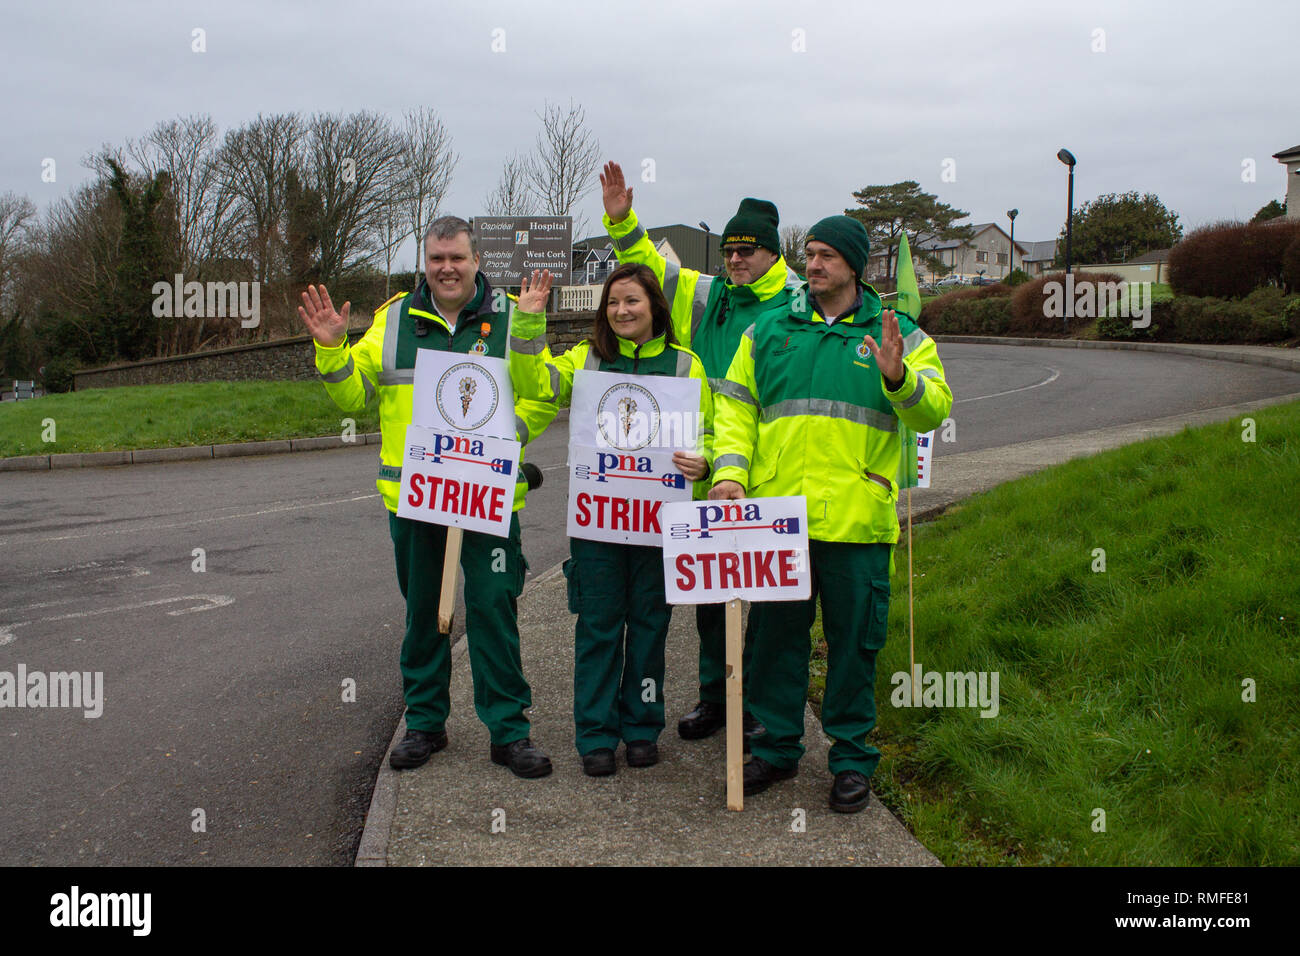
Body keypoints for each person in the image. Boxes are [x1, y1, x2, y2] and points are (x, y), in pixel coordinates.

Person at [710, 215, 953, 812]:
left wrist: (897, 377)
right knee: (774, 643)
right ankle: (778, 747)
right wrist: (729, 475)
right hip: (777, 519)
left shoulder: (901, 334)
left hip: (856, 523)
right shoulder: (769, 330)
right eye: (809, 254)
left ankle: (849, 759)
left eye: (825, 256)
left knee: (852, 648)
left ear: (855, 265)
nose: (812, 265)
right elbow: (736, 411)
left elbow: (934, 410)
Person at [299, 215, 556, 779]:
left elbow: (543, 395)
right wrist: (331, 351)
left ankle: (509, 732)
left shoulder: (516, 316)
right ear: (426, 263)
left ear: (476, 261)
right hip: (416, 499)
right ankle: (425, 724)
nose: (447, 268)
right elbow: (352, 397)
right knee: (423, 613)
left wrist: (504, 432)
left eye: (457, 259)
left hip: (489, 499)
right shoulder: (392, 321)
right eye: (437, 259)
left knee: (493, 608)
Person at [599, 160, 799, 743]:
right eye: (730, 251)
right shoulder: (709, 296)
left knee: (765, 600)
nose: (735, 260)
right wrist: (622, 220)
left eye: (748, 251)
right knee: (712, 594)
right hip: (708, 466)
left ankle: (758, 705)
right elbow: (656, 269)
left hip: (772, 468)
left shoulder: (795, 302)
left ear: (772, 253)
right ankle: (717, 697)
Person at [509, 263, 713, 777]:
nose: (622, 311)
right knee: (598, 628)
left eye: (633, 301)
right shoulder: (586, 360)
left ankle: (642, 729)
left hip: (659, 524)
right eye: (614, 303)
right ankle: (596, 735)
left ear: (655, 308)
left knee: (650, 626)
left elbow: (708, 432)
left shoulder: (687, 366)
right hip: (598, 525)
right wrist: (529, 325)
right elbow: (537, 384)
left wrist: (704, 461)